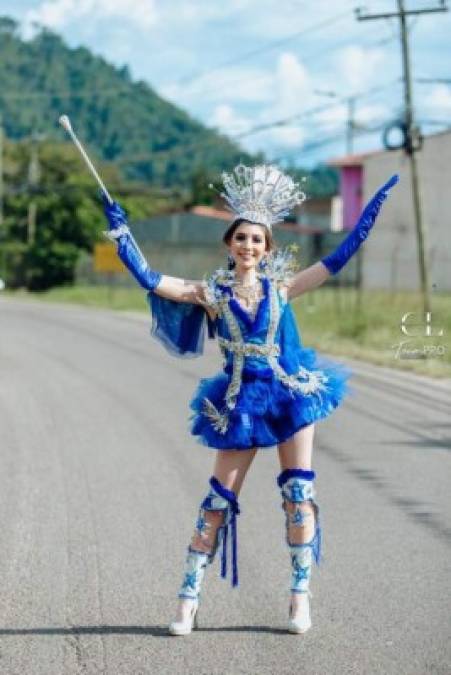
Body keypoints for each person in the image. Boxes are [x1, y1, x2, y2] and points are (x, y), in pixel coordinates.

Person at [102, 164, 398, 636]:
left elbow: (336, 261)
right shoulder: (211, 293)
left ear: (267, 247)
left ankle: (300, 595)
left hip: (289, 396)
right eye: (241, 238)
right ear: (229, 244)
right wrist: (122, 236)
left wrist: (367, 218)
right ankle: (188, 597)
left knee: (298, 493)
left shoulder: (283, 287)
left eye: (257, 240)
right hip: (239, 403)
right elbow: (156, 282)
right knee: (217, 502)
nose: (248, 246)